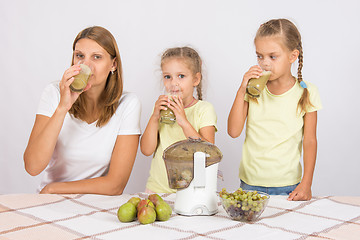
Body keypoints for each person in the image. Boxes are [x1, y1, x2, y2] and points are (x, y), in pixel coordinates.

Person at [23, 26, 141, 195]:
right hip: (50, 203)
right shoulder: (54, 93)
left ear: (113, 64)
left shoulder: (128, 104)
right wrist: (62, 108)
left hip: (94, 204)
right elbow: (33, 167)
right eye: (79, 56)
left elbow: (115, 185)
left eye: (97, 57)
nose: (86, 65)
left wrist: (53, 188)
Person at [228, 19, 322, 201]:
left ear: (292, 56)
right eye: (259, 56)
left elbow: (310, 141)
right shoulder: (253, 89)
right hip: (250, 185)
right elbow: (233, 131)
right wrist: (241, 89)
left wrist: (307, 183)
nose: (265, 63)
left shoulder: (307, 92)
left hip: (288, 186)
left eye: (272, 56)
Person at [140, 47, 217, 193]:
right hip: (157, 189)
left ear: (195, 79)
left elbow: (209, 153)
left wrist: (183, 121)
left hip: (192, 191)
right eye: (168, 77)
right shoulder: (161, 109)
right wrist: (155, 117)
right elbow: (146, 150)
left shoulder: (204, 109)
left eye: (181, 76)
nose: (173, 83)